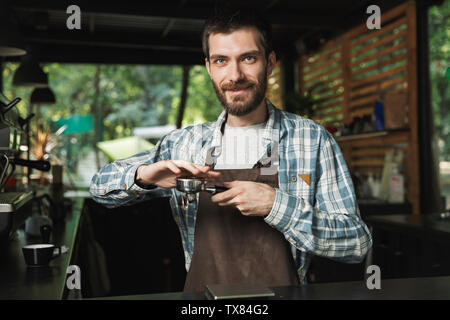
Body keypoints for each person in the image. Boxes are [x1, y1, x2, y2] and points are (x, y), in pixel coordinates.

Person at [90, 8, 372, 292]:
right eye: (221, 61)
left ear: (270, 62)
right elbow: (99, 188)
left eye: (248, 58)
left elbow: (356, 243)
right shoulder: (184, 144)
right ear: (209, 68)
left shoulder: (312, 140)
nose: (235, 75)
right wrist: (144, 176)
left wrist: (277, 206)